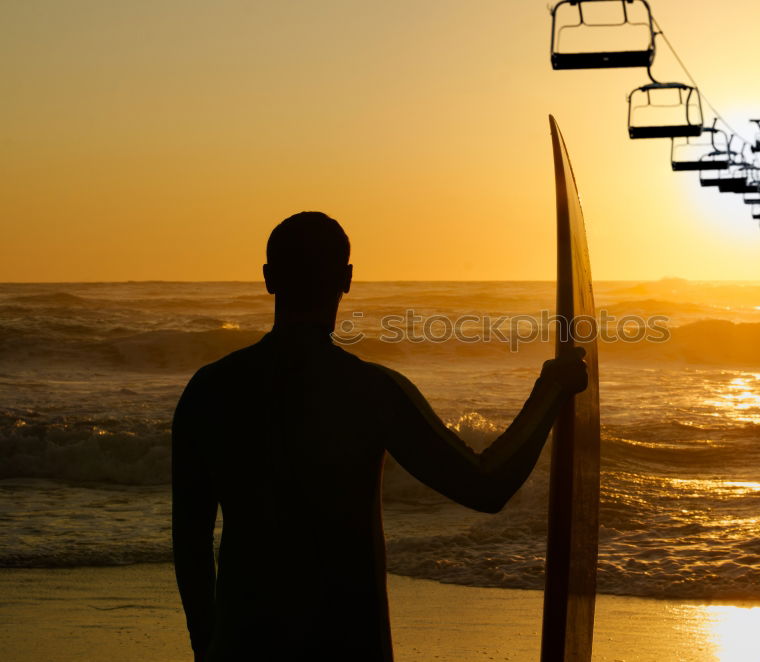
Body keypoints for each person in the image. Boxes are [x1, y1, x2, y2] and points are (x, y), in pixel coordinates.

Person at [171, 211, 588, 661]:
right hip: (347, 643)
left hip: (243, 644)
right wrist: (551, 390)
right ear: (347, 279)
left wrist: (206, 648)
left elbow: (190, 540)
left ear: (269, 279)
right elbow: (485, 485)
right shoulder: (370, 392)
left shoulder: (209, 390)